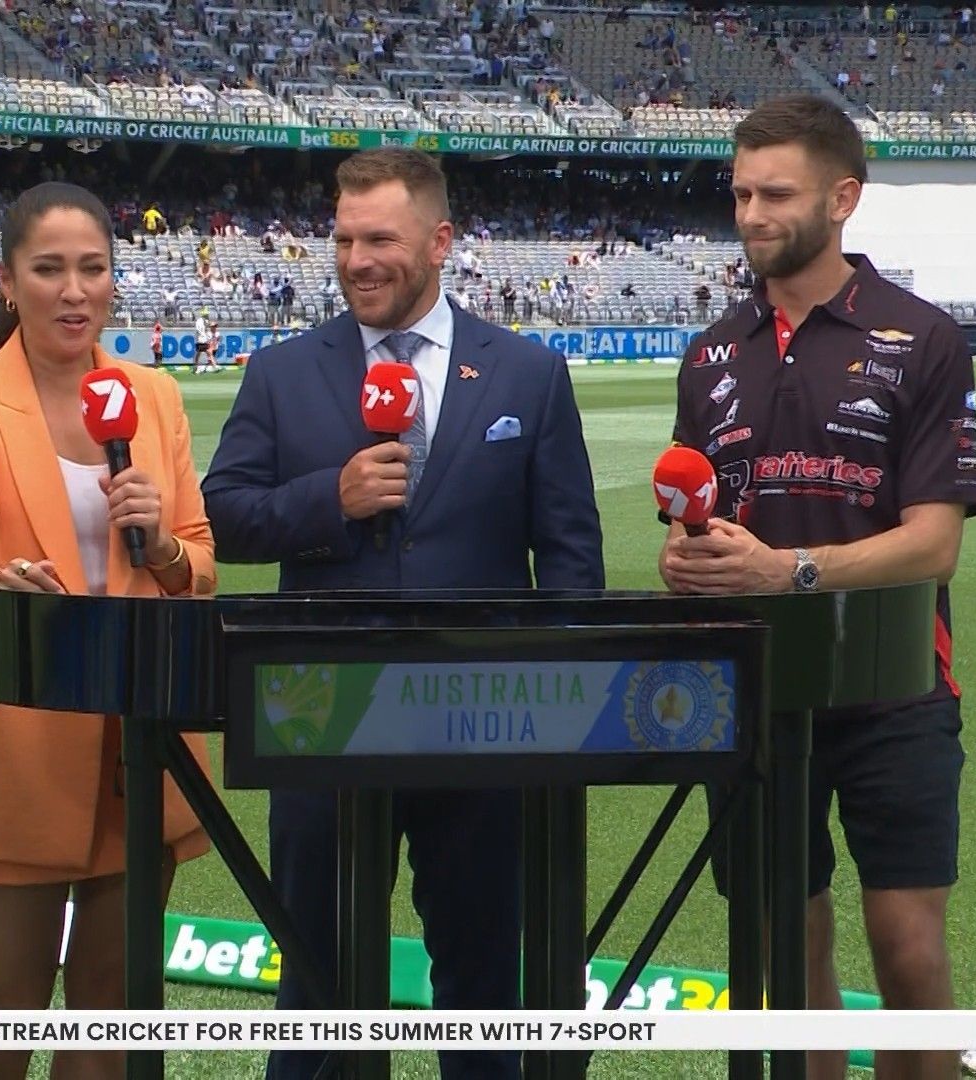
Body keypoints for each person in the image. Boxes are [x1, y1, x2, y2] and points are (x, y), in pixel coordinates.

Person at [201, 147, 605, 1080]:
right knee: (320, 981)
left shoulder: (528, 374)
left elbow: (570, 562)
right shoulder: (282, 372)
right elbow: (224, 515)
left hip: (486, 721)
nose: (357, 261)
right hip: (319, 717)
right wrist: (329, 499)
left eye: (379, 239)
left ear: (439, 241)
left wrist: (562, 716)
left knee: (483, 978)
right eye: (344, 240)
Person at [662, 96, 976, 1080]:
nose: (752, 215)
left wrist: (789, 572)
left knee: (909, 952)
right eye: (741, 194)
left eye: (777, 194)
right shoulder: (712, 351)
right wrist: (687, 561)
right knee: (786, 953)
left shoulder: (921, 337)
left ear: (842, 199)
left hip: (896, 687)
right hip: (756, 691)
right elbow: (695, 516)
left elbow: (934, 544)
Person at [0, 181, 219, 1080]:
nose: (75, 292)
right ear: (8, 282)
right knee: (7, 1021)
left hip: (139, 739)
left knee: (109, 1025)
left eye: (93, 269)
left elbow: (198, 561)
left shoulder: (153, 397)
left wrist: (164, 544)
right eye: (48, 270)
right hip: (15, 735)